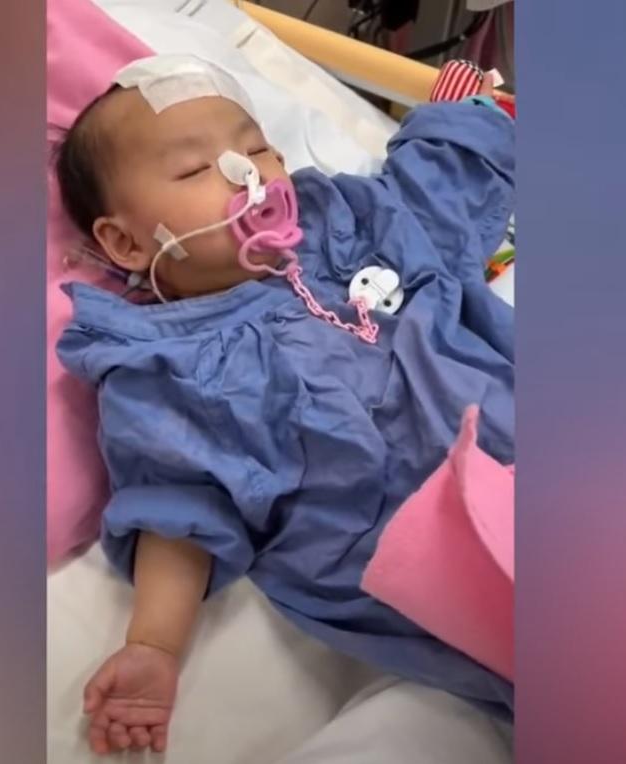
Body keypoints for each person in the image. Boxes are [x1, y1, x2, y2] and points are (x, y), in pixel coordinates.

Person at [55, 56, 514, 755]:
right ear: (125, 241)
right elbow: (181, 503)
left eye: (259, 146)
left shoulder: (349, 224)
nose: (249, 174)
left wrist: (460, 119)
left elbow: (430, 203)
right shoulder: (169, 366)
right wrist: (153, 645)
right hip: (418, 533)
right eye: (195, 169)